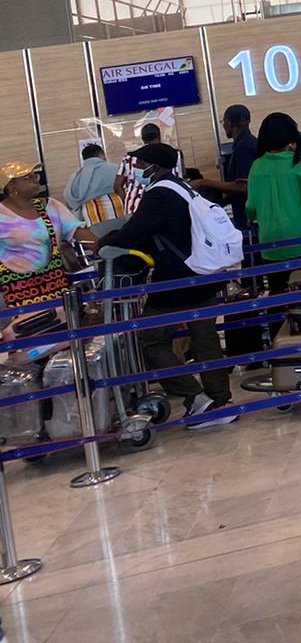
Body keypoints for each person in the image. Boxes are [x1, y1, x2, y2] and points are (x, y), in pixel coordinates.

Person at [100, 143, 238, 427]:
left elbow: (132, 234)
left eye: (139, 165)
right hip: (204, 274)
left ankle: (197, 399)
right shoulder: (183, 188)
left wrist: (102, 242)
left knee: (149, 340)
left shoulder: (158, 194)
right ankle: (220, 402)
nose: (136, 171)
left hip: (175, 283)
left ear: (154, 166)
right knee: (206, 339)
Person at [246, 112, 301, 333]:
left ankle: (279, 343)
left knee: (277, 297)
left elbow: (250, 207)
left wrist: (258, 216)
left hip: (270, 244)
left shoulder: (256, 167)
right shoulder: (300, 163)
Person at [0, 162, 100, 313]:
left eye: (35, 175)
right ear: (11, 187)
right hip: (15, 293)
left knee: (63, 328)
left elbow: (78, 232)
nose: (35, 179)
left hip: (55, 286)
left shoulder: (51, 206)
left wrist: (104, 247)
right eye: (27, 177)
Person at [190, 105, 256, 229]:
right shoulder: (245, 144)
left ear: (230, 123)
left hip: (248, 218)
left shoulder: (244, 147)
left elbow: (244, 187)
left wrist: (203, 182)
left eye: (224, 121)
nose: (223, 125)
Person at [115, 123, 184, 216]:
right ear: (159, 138)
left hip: (133, 207)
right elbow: (180, 181)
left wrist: (128, 201)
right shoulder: (171, 156)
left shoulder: (128, 158)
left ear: (142, 139)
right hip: (162, 206)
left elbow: (117, 186)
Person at [64, 143, 121, 225]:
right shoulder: (116, 168)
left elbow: (69, 203)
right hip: (116, 209)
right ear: (101, 154)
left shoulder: (75, 177)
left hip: (91, 214)